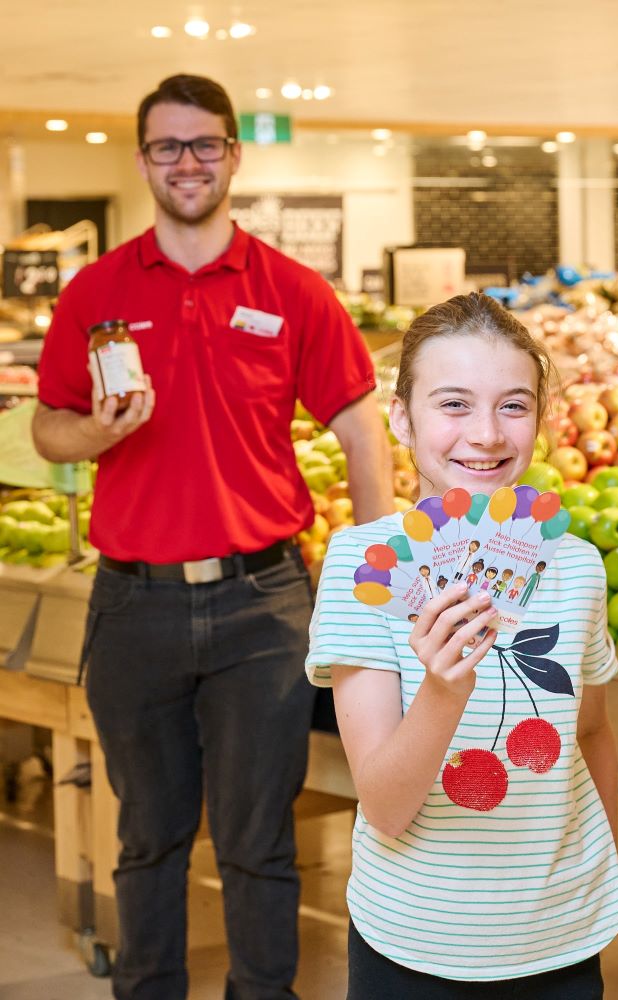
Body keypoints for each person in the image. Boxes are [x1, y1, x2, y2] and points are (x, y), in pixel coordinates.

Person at [31, 74, 393, 998]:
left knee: (256, 842)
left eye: (205, 145)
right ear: (144, 159)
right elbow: (50, 428)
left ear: (233, 155)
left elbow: (359, 429)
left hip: (262, 605)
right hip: (134, 604)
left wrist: (383, 577)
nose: (186, 163)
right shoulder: (97, 292)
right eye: (167, 147)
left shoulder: (293, 292)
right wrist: (97, 435)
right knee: (148, 835)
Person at [306, 292, 618, 998]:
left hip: (565, 939)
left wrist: (607, 872)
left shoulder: (575, 565)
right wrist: (445, 690)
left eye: (513, 405)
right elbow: (386, 807)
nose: (485, 434)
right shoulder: (366, 567)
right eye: (453, 404)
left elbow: (594, 733)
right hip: (412, 943)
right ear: (401, 417)